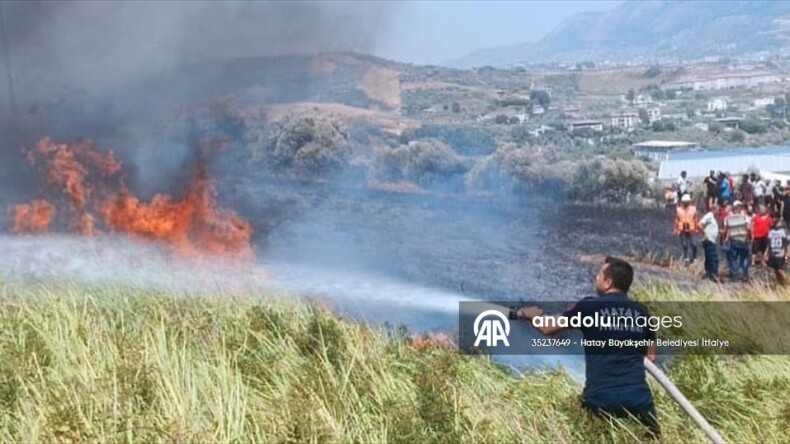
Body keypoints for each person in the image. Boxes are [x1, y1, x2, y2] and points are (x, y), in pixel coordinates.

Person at [517, 257, 660, 438]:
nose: (596, 279)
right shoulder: (642, 312)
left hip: (600, 398)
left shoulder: (589, 307)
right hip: (638, 398)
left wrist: (532, 316)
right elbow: (651, 358)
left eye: (599, 275)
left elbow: (548, 327)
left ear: (608, 282)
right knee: (652, 438)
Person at [724, 201, 752, 283]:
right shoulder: (745, 217)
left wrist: (726, 239)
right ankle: (745, 276)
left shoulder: (728, 218)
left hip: (734, 240)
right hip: (743, 239)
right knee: (744, 258)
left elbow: (727, 229)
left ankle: (734, 276)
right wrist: (750, 238)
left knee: (733, 259)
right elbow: (748, 228)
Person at [675, 194, 699, 264]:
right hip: (682, 229)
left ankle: (695, 257)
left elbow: (696, 219)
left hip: (691, 229)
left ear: (689, 202)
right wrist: (676, 229)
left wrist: (697, 228)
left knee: (694, 244)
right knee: (684, 244)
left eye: (686, 202)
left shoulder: (693, 209)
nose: (685, 203)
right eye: (684, 202)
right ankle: (686, 258)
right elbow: (677, 220)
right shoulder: (678, 210)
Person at [765, 218, 790, 286]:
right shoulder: (771, 231)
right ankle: (781, 284)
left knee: (780, 269)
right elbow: (769, 244)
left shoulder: (785, 231)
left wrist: (788, 252)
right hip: (773, 253)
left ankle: (787, 283)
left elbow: (788, 243)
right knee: (776, 270)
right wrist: (766, 253)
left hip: (781, 253)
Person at [699, 202, 720, 281]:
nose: (718, 212)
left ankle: (708, 273)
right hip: (709, 240)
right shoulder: (709, 216)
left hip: (711, 240)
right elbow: (700, 224)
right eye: (717, 210)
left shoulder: (713, 218)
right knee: (713, 258)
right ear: (714, 209)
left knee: (708, 257)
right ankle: (714, 275)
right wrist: (705, 233)